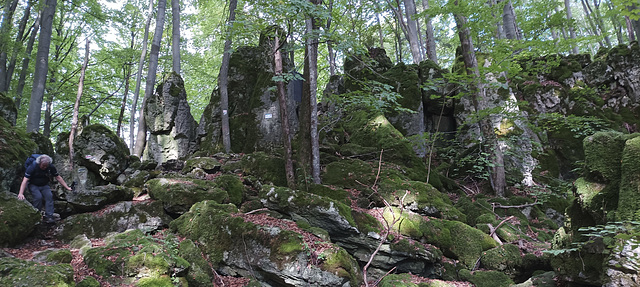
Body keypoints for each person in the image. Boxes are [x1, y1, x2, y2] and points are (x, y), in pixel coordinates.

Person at [17, 154, 72, 223]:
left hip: (44, 185)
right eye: (43, 166)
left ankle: (49, 216)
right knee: (38, 197)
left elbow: (58, 177)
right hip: (33, 184)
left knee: (49, 196)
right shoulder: (33, 166)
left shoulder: (50, 167)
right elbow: (25, 180)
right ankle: (36, 215)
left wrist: (67, 187)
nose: (44, 167)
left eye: (46, 166)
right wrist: (21, 193)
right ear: (39, 163)